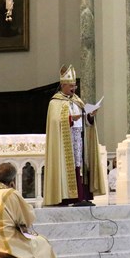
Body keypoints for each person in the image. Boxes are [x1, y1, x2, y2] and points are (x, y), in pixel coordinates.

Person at [43, 65, 106, 206]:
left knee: (81, 165)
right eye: (71, 86)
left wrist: (90, 116)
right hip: (65, 141)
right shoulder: (55, 102)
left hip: (80, 138)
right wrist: (71, 119)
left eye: (74, 86)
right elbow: (55, 121)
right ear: (63, 85)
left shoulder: (77, 100)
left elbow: (87, 122)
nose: (73, 89)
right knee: (70, 167)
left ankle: (81, 196)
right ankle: (67, 197)